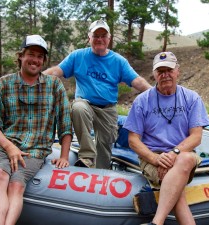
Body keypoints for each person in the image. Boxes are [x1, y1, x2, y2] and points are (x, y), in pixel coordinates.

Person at [0, 34, 72, 225]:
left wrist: (64, 156)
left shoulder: (54, 85)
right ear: (21, 56)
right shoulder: (1, 85)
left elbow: (65, 124)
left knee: (16, 185)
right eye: (31, 54)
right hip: (1, 146)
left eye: (40, 57)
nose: (36, 60)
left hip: (34, 150)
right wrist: (9, 147)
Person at [43, 19, 151, 169]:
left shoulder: (119, 61)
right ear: (89, 38)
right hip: (85, 104)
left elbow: (137, 81)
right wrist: (36, 78)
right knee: (78, 107)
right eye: (96, 36)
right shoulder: (78, 56)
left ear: (109, 38)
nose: (99, 39)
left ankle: (102, 172)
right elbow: (57, 71)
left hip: (107, 109)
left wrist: (156, 92)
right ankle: (87, 156)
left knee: (104, 147)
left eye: (103, 35)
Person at [123, 51, 209, 225]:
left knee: (183, 159)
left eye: (169, 70)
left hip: (182, 154)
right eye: (160, 71)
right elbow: (133, 140)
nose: (165, 75)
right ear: (154, 74)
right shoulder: (142, 101)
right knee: (177, 185)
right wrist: (156, 159)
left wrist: (173, 153)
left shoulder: (192, 98)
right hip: (152, 156)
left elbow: (196, 137)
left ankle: (157, 222)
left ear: (177, 71)